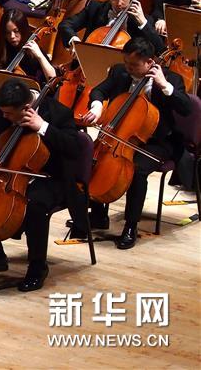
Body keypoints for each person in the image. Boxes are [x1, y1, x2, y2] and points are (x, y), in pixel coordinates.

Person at [0, 78, 82, 292]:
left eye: (9, 114)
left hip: (52, 177)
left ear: (26, 108)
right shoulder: (4, 109)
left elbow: (74, 148)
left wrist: (43, 127)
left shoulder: (58, 113)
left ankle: (37, 268)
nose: (4, 117)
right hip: (11, 173)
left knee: (35, 204)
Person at [82, 37, 191, 249]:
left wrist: (165, 86)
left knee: (137, 170)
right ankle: (97, 215)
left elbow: (186, 108)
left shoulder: (171, 79)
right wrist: (96, 106)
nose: (128, 68)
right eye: (126, 63)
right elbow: (99, 90)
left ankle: (130, 226)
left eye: (134, 65)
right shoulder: (120, 72)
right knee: (93, 158)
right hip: (123, 136)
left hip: (160, 141)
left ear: (150, 62)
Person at [57, 0, 165, 55]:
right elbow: (65, 25)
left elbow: (160, 50)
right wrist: (74, 41)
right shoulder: (95, 8)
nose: (119, 3)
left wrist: (143, 23)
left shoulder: (143, 19)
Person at [0, 8, 57, 82]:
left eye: (16, 31)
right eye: (7, 32)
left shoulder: (33, 50)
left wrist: (40, 56)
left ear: (23, 30)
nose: (12, 36)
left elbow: (52, 79)